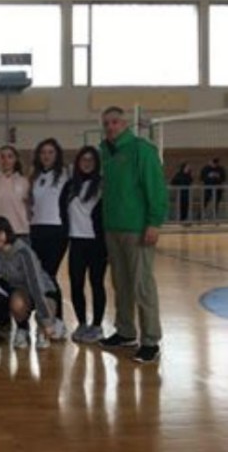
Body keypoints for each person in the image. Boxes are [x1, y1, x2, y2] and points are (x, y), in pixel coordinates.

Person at [99, 106, 168, 364]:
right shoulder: (105, 152)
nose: (110, 127)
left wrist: (154, 222)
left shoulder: (142, 150)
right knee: (121, 284)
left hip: (137, 229)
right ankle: (126, 332)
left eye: (115, 122)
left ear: (125, 124)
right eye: (106, 123)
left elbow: (156, 188)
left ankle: (151, 340)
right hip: (113, 228)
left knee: (142, 285)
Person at [0, 216, 58, 350]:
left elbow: (36, 285)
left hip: (43, 290)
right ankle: (23, 328)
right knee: (16, 304)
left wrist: (46, 320)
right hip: (22, 290)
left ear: (7, 232)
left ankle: (43, 329)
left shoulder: (24, 252)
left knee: (46, 317)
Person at [59, 146, 107, 344]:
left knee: (96, 283)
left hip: (97, 243)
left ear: (96, 163)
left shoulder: (103, 185)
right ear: (78, 162)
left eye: (91, 160)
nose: (87, 163)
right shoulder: (71, 186)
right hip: (76, 242)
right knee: (76, 284)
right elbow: (62, 210)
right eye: (83, 159)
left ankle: (97, 325)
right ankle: (81, 323)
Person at [29, 138, 68, 335]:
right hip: (36, 230)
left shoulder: (65, 175)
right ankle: (44, 318)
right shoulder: (34, 177)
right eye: (43, 152)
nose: (46, 156)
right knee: (39, 276)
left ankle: (58, 319)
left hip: (57, 231)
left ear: (57, 155)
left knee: (49, 276)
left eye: (50, 152)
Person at [0, 145, 30, 241]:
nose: (6, 160)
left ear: (15, 159)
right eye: (2, 157)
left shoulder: (24, 181)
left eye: (10, 157)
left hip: (19, 230)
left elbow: (28, 205)